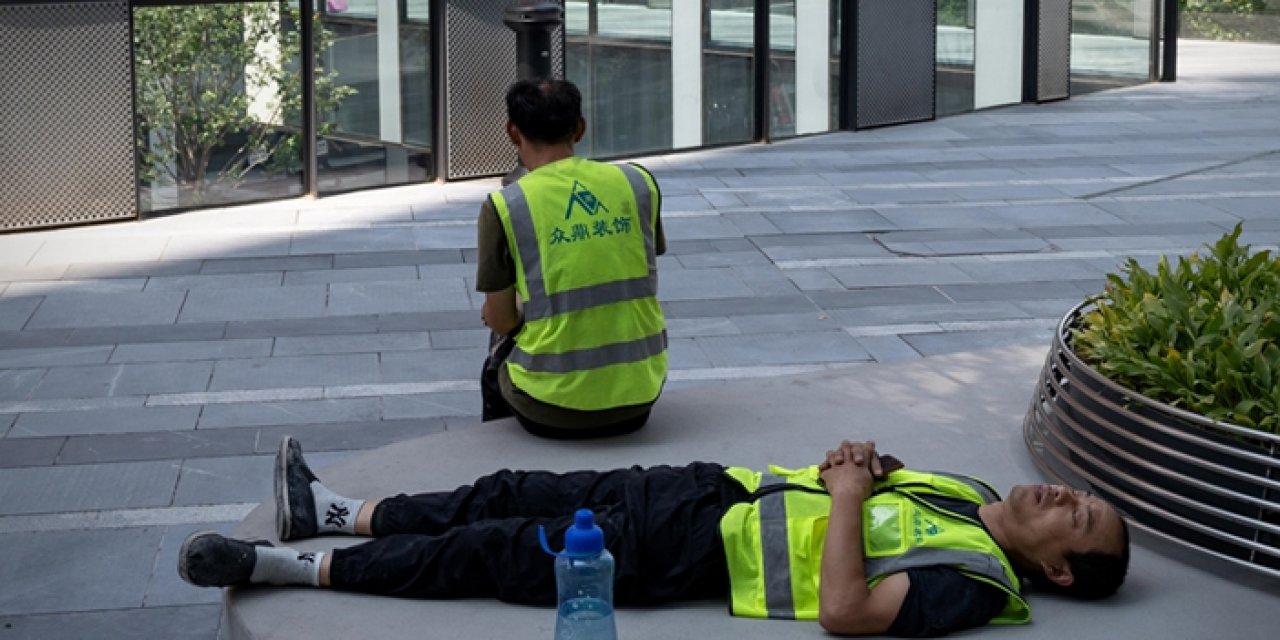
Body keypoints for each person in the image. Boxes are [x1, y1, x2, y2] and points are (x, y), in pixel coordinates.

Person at [180, 436, 1130, 637]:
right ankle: (338, 512)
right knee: (510, 488)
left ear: (1054, 569)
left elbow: (848, 610)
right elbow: (853, 490)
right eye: (1079, 494)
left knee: (500, 550)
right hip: (708, 488)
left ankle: (285, 566)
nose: (1063, 493)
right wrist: (861, 465)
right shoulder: (966, 492)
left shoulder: (979, 584)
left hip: (694, 557)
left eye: (1076, 517)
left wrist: (845, 498)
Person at [476, 78, 668, 439]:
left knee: (497, 348)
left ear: (512, 132)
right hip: (640, 395)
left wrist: (510, 308)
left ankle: (496, 461)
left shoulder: (505, 205)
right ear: (580, 128)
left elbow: (502, 321)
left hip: (548, 409)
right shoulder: (637, 182)